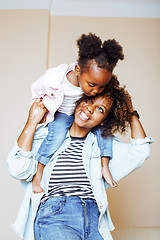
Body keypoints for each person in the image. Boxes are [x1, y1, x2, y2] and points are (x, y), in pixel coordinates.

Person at [7, 75, 153, 240]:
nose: (90, 109)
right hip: (56, 215)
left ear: (104, 121)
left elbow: (141, 151)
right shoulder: (49, 136)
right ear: (79, 100)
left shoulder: (102, 148)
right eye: (89, 100)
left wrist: (130, 111)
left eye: (100, 109)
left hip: (94, 220)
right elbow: (17, 168)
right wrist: (31, 121)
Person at [32, 33, 124, 192]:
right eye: (92, 85)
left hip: (78, 113)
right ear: (77, 69)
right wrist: (38, 107)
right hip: (61, 115)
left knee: (105, 131)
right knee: (58, 135)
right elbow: (37, 87)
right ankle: (38, 173)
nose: (96, 91)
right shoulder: (55, 79)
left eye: (101, 87)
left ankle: (104, 166)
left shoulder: (91, 88)